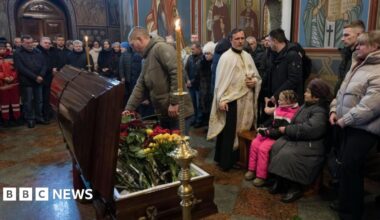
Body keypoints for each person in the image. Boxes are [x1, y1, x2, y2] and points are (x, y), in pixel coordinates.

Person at [329, 31, 380, 220]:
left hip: (363, 129)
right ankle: (346, 206)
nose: (356, 47)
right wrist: (334, 110)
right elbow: (342, 91)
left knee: (351, 168)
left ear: (375, 47)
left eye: (361, 45)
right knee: (348, 168)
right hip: (347, 126)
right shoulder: (357, 63)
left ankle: (351, 212)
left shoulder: (377, 69)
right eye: (357, 44)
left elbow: (370, 107)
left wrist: (345, 120)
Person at [268, 78, 332, 203]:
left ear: (316, 97)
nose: (304, 93)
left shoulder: (320, 111)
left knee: (289, 155)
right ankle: (282, 181)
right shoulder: (306, 105)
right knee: (277, 146)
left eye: (308, 92)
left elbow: (311, 130)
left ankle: (295, 187)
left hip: (313, 144)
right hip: (299, 138)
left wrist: (287, 130)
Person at [207, 28, 262, 171]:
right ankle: (226, 161)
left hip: (247, 101)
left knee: (245, 130)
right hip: (232, 101)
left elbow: (257, 76)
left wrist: (255, 82)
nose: (240, 41)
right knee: (229, 132)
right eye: (237, 39)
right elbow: (220, 83)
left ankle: (242, 159)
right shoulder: (226, 57)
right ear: (231, 40)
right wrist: (221, 100)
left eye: (242, 38)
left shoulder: (248, 56)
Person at [124, 27, 193, 133]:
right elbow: (140, 85)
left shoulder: (160, 48)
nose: (133, 49)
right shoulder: (146, 58)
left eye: (133, 45)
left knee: (179, 147)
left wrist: (174, 102)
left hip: (177, 111)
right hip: (164, 112)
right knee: (167, 146)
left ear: (140, 39)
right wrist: (129, 109)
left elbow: (177, 71)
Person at [245, 90, 299, 187]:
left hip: (279, 137)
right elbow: (272, 121)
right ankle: (251, 169)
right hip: (270, 133)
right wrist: (263, 127)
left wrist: (266, 132)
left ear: (289, 102)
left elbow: (281, 131)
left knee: (263, 149)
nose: (278, 101)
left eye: (281, 100)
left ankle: (261, 176)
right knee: (255, 143)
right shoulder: (280, 108)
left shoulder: (292, 114)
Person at [13, 35, 48, 128]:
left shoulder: (38, 51)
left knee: (39, 100)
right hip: (26, 81)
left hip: (39, 80)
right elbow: (21, 68)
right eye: (27, 43)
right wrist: (35, 77)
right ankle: (30, 119)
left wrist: (41, 75)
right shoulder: (17, 53)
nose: (30, 44)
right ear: (22, 43)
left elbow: (44, 64)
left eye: (31, 42)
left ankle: (39, 117)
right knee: (28, 101)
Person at [264, 28, 304, 103]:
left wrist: (276, 94)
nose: (268, 44)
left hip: (289, 100)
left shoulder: (292, 55)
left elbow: (293, 80)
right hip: (279, 98)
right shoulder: (275, 54)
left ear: (275, 41)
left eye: (269, 41)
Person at [334, 20, 365, 94]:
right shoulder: (347, 54)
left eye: (346, 35)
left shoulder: (364, 57)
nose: (342, 39)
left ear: (359, 35)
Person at [0, 42, 21, 127]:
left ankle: (17, 118)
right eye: (0, 49)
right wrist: (4, 77)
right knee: (4, 103)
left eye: (3, 48)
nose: (2, 50)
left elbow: (16, 69)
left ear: (6, 49)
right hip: (2, 84)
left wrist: (13, 77)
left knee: (15, 102)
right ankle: (6, 120)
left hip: (14, 83)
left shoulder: (12, 57)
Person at [196, 41, 216, 126]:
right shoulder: (201, 63)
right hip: (203, 89)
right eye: (205, 54)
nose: (206, 55)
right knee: (203, 107)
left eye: (208, 53)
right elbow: (198, 76)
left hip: (211, 90)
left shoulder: (215, 64)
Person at [36, 37, 54, 121]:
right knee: (40, 99)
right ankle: (41, 116)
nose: (47, 44)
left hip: (49, 78)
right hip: (40, 78)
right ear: (40, 43)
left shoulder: (49, 51)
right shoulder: (37, 52)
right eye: (45, 43)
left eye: (49, 43)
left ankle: (46, 115)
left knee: (47, 98)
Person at [185, 43, 203, 127]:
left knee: (199, 104)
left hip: (199, 85)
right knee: (193, 103)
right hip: (191, 85)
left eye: (193, 49)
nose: (192, 51)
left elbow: (200, 74)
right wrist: (187, 80)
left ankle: (199, 120)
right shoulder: (190, 58)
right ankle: (194, 118)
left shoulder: (202, 58)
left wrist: (191, 81)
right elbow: (186, 70)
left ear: (199, 49)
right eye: (191, 49)